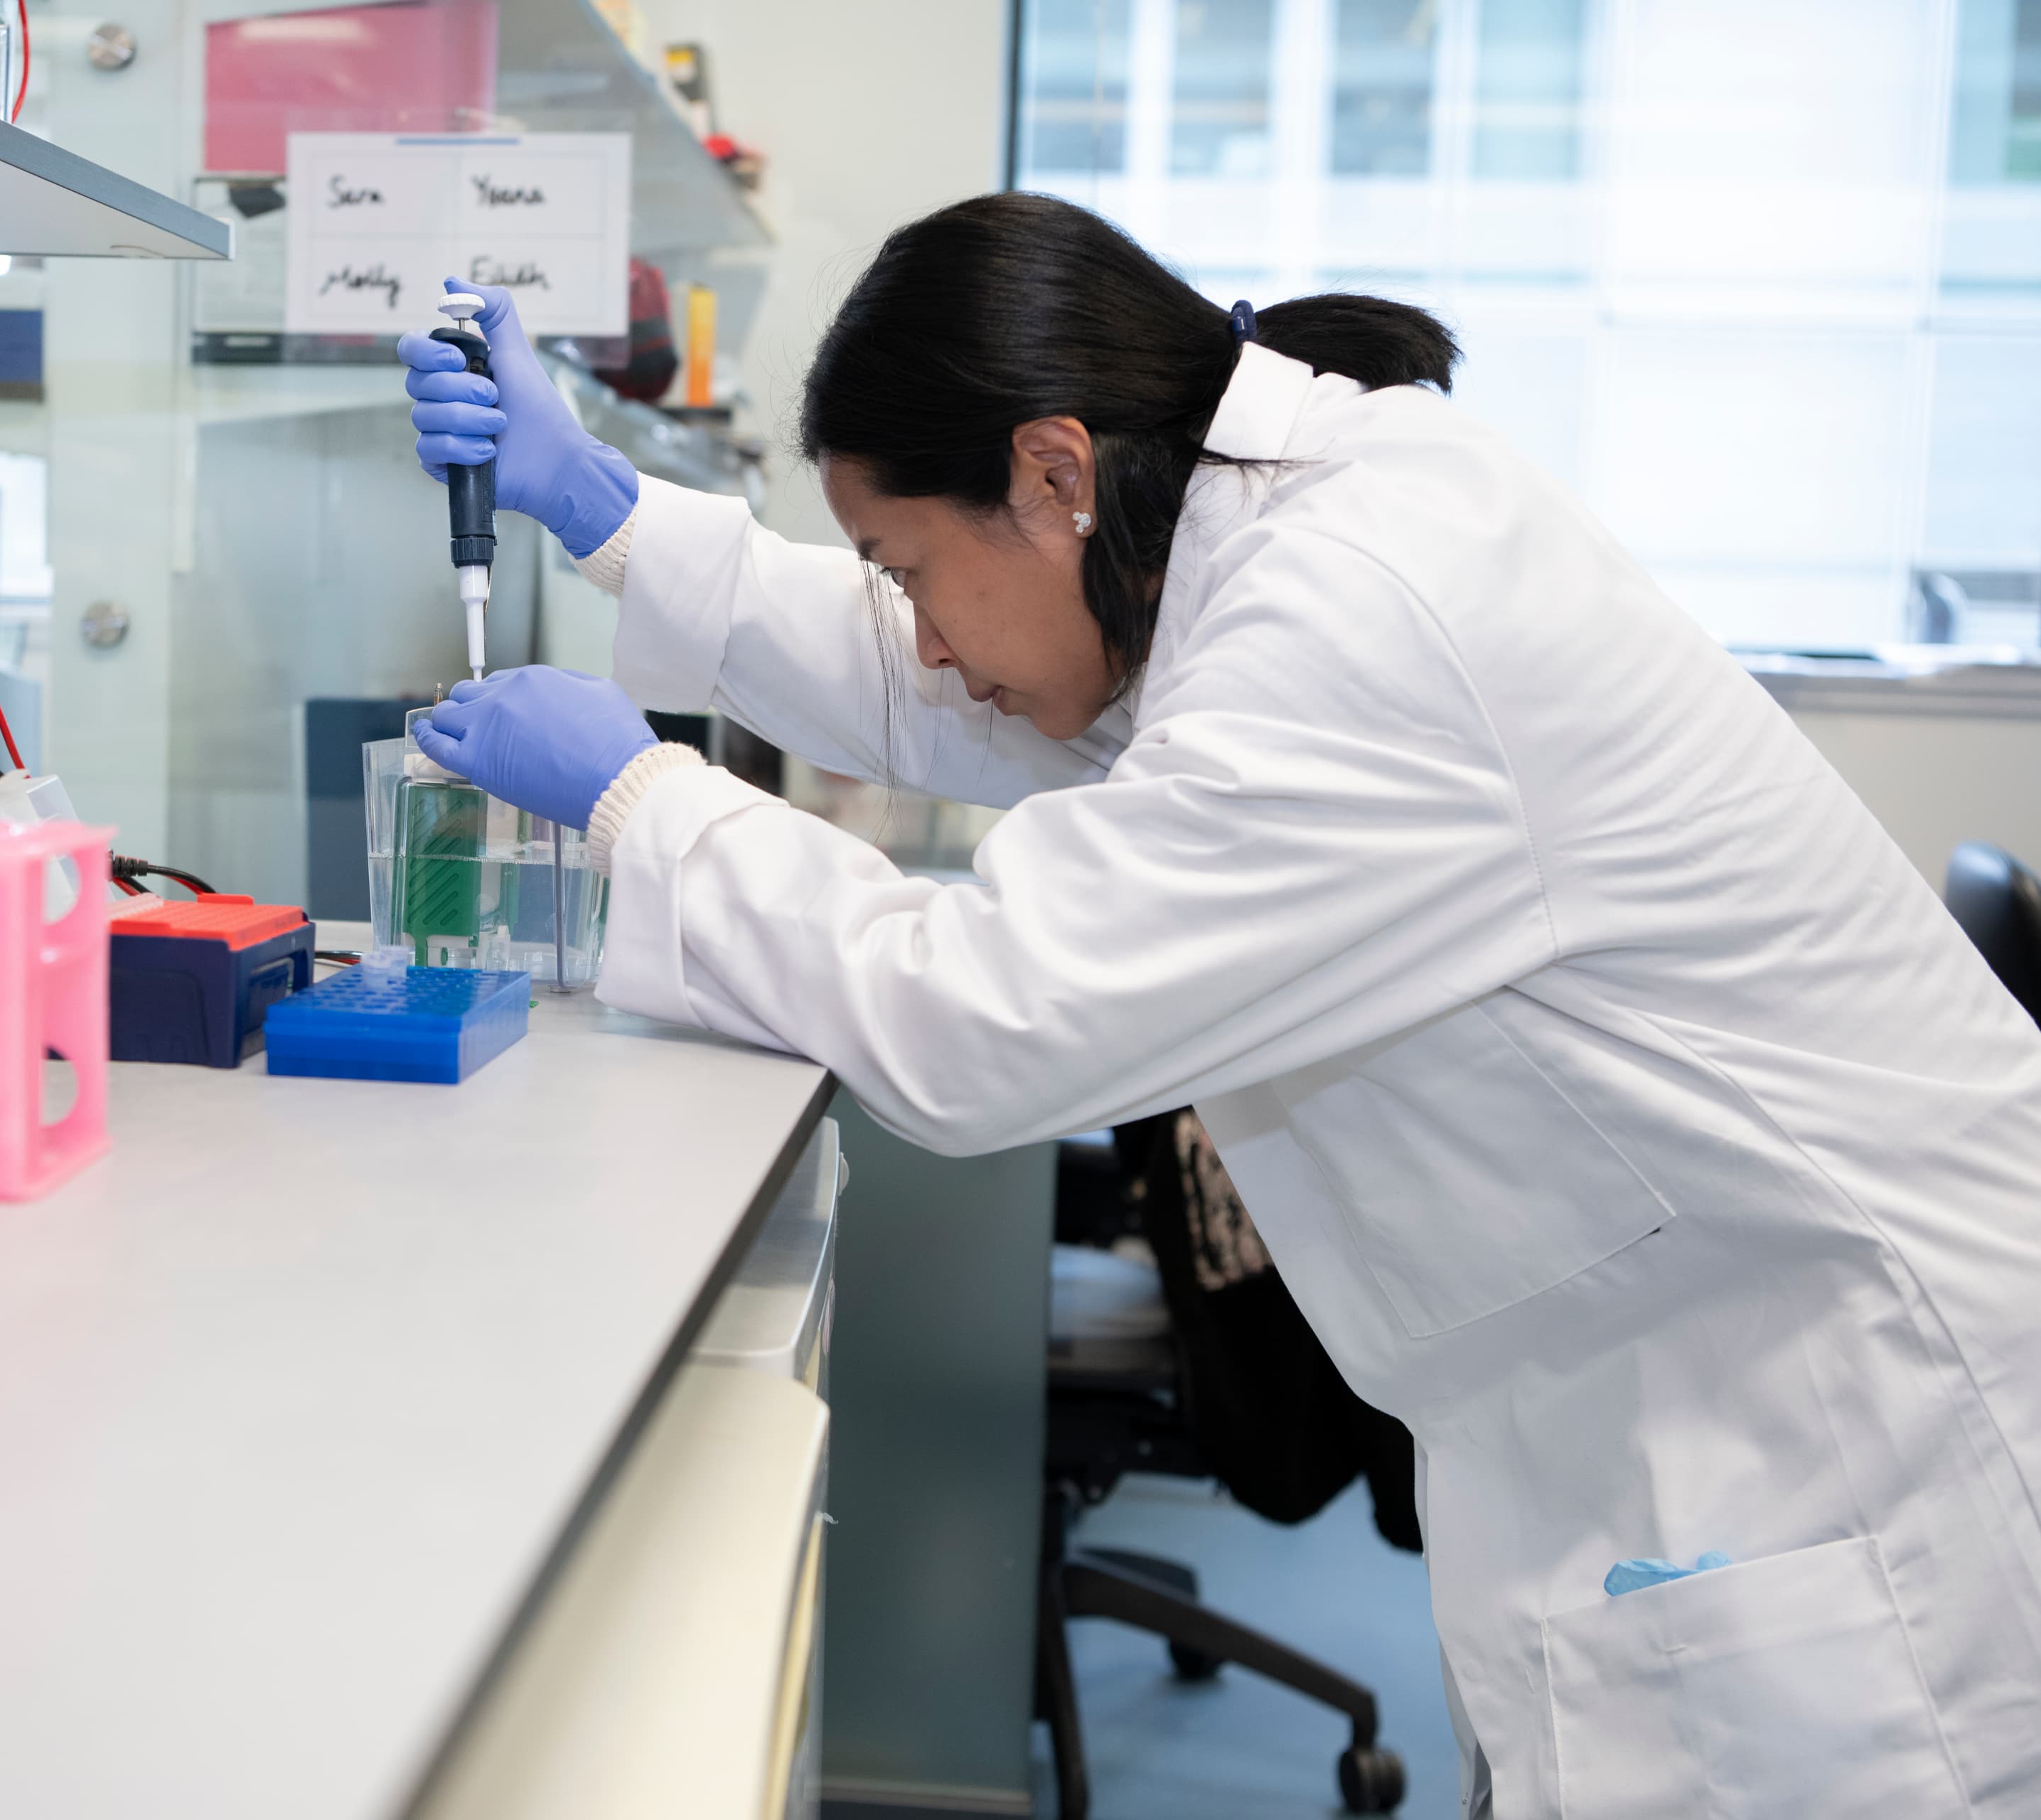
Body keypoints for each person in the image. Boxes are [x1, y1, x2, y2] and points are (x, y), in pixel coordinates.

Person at [397, 193, 2041, 1816]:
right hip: (1674, 1412)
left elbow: (979, 1018)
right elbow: (977, 681)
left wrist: (644, 802)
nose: (926, 639)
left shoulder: (1357, 612)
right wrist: (607, 509)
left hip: (1856, 1467)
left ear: (1055, 473)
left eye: (908, 569)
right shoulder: (1262, 528)